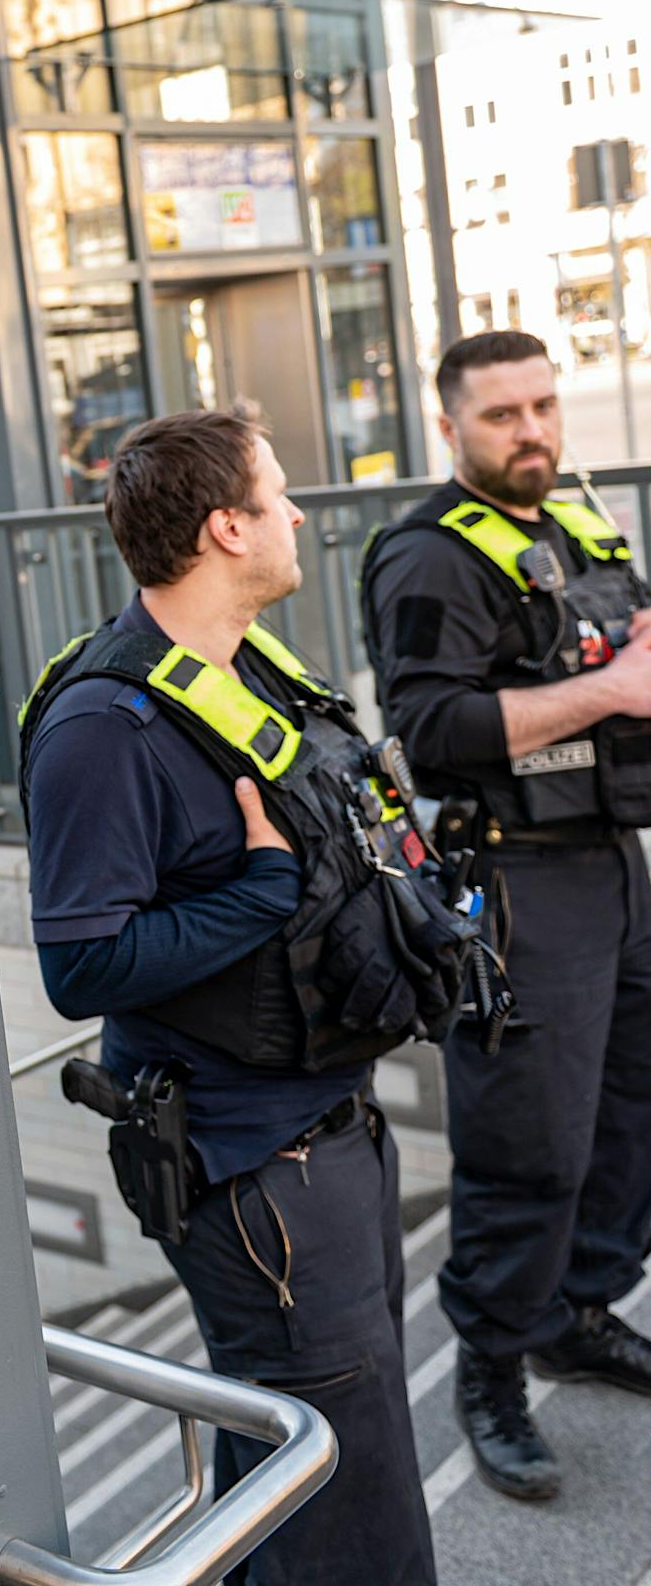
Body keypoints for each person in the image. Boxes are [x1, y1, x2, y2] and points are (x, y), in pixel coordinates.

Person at [21, 408, 442, 1586]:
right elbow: (79, 965)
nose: (299, 513)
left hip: (329, 1128)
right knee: (335, 1490)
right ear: (224, 526)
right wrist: (259, 889)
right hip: (254, 1172)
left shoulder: (244, 662)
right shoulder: (104, 725)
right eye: (278, 493)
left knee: (301, 1467)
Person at [360, 330, 651, 1501]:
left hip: (612, 866)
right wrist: (610, 689)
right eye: (501, 415)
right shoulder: (426, 558)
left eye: (540, 405)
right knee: (525, 1141)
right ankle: (488, 1366)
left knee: (627, 1113)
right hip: (517, 881)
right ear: (449, 426)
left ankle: (574, 1310)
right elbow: (429, 732)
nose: (530, 429)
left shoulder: (571, 524)